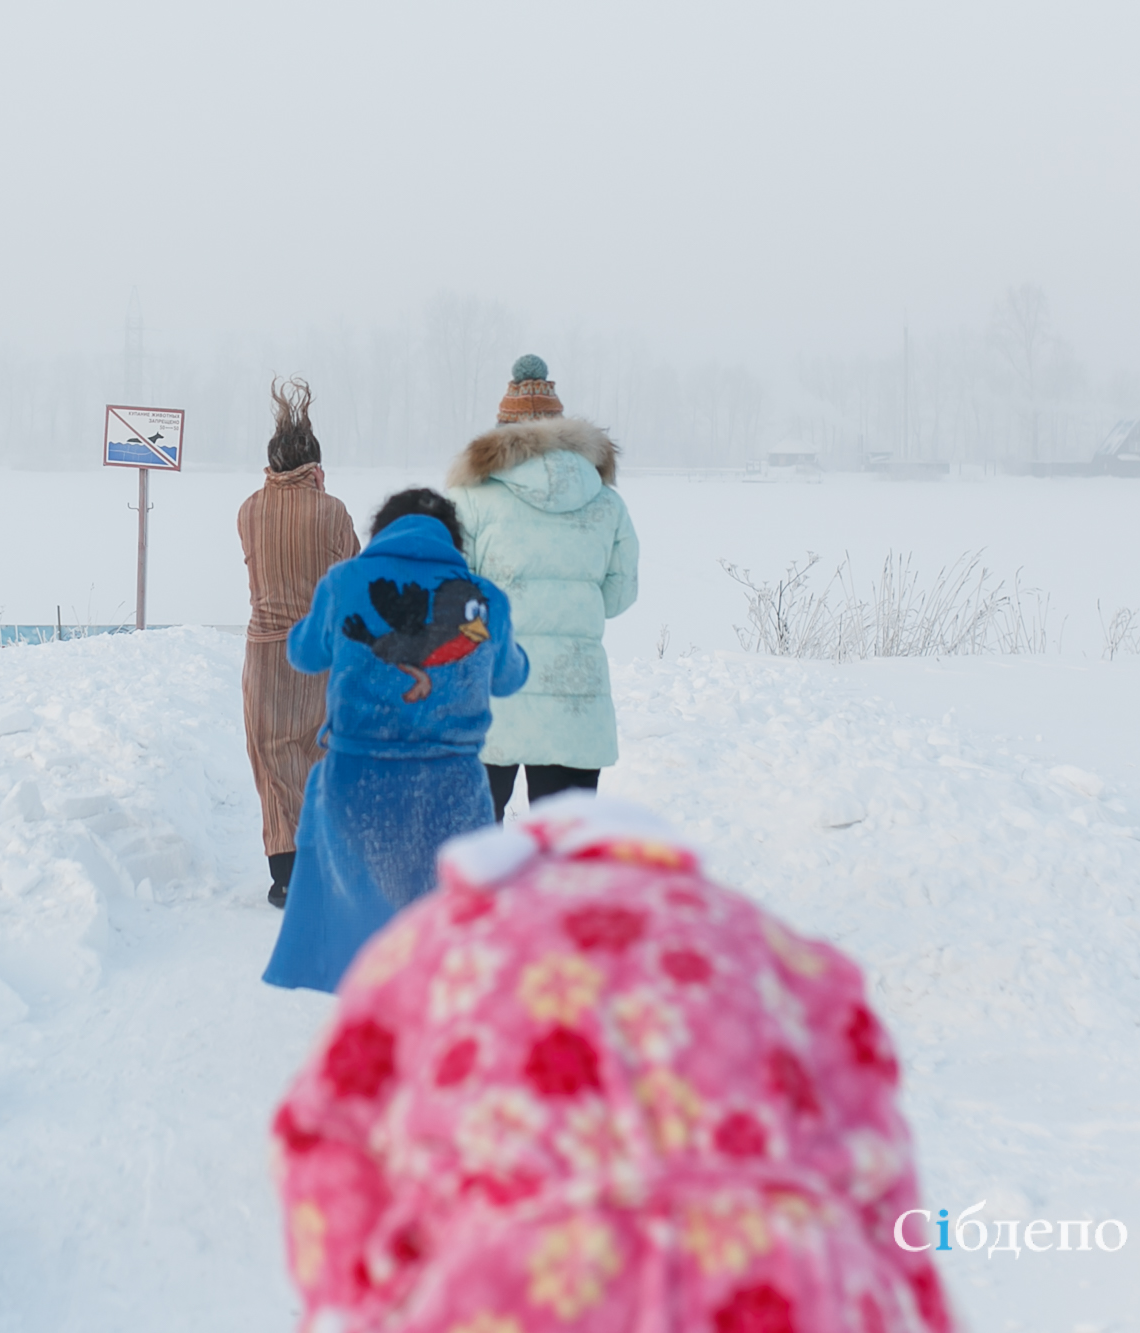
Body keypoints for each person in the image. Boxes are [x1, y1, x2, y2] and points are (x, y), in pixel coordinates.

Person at [270, 793, 952, 1333]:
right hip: (788, 1278)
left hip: (522, 1277)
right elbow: (881, 1168)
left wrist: (353, 1298)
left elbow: (323, 1131)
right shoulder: (777, 948)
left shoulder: (427, 940)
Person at [262, 489, 529, 993]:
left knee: (360, 936)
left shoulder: (344, 582)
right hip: (452, 789)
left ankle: (372, 1028)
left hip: (356, 783)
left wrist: (320, 628)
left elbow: (304, 654)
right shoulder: (485, 597)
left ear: (380, 531)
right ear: (454, 540)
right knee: (446, 936)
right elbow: (509, 677)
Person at [447, 355, 639, 823]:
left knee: (473, 844)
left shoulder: (469, 498)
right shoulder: (605, 501)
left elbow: (450, 595)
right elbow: (619, 594)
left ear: (500, 433)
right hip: (575, 695)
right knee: (563, 849)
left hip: (490, 692)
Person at [240, 378, 360, 908]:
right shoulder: (331, 510)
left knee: (272, 758)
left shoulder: (248, 510)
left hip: (264, 653)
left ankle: (284, 877)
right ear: (314, 466)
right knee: (321, 752)